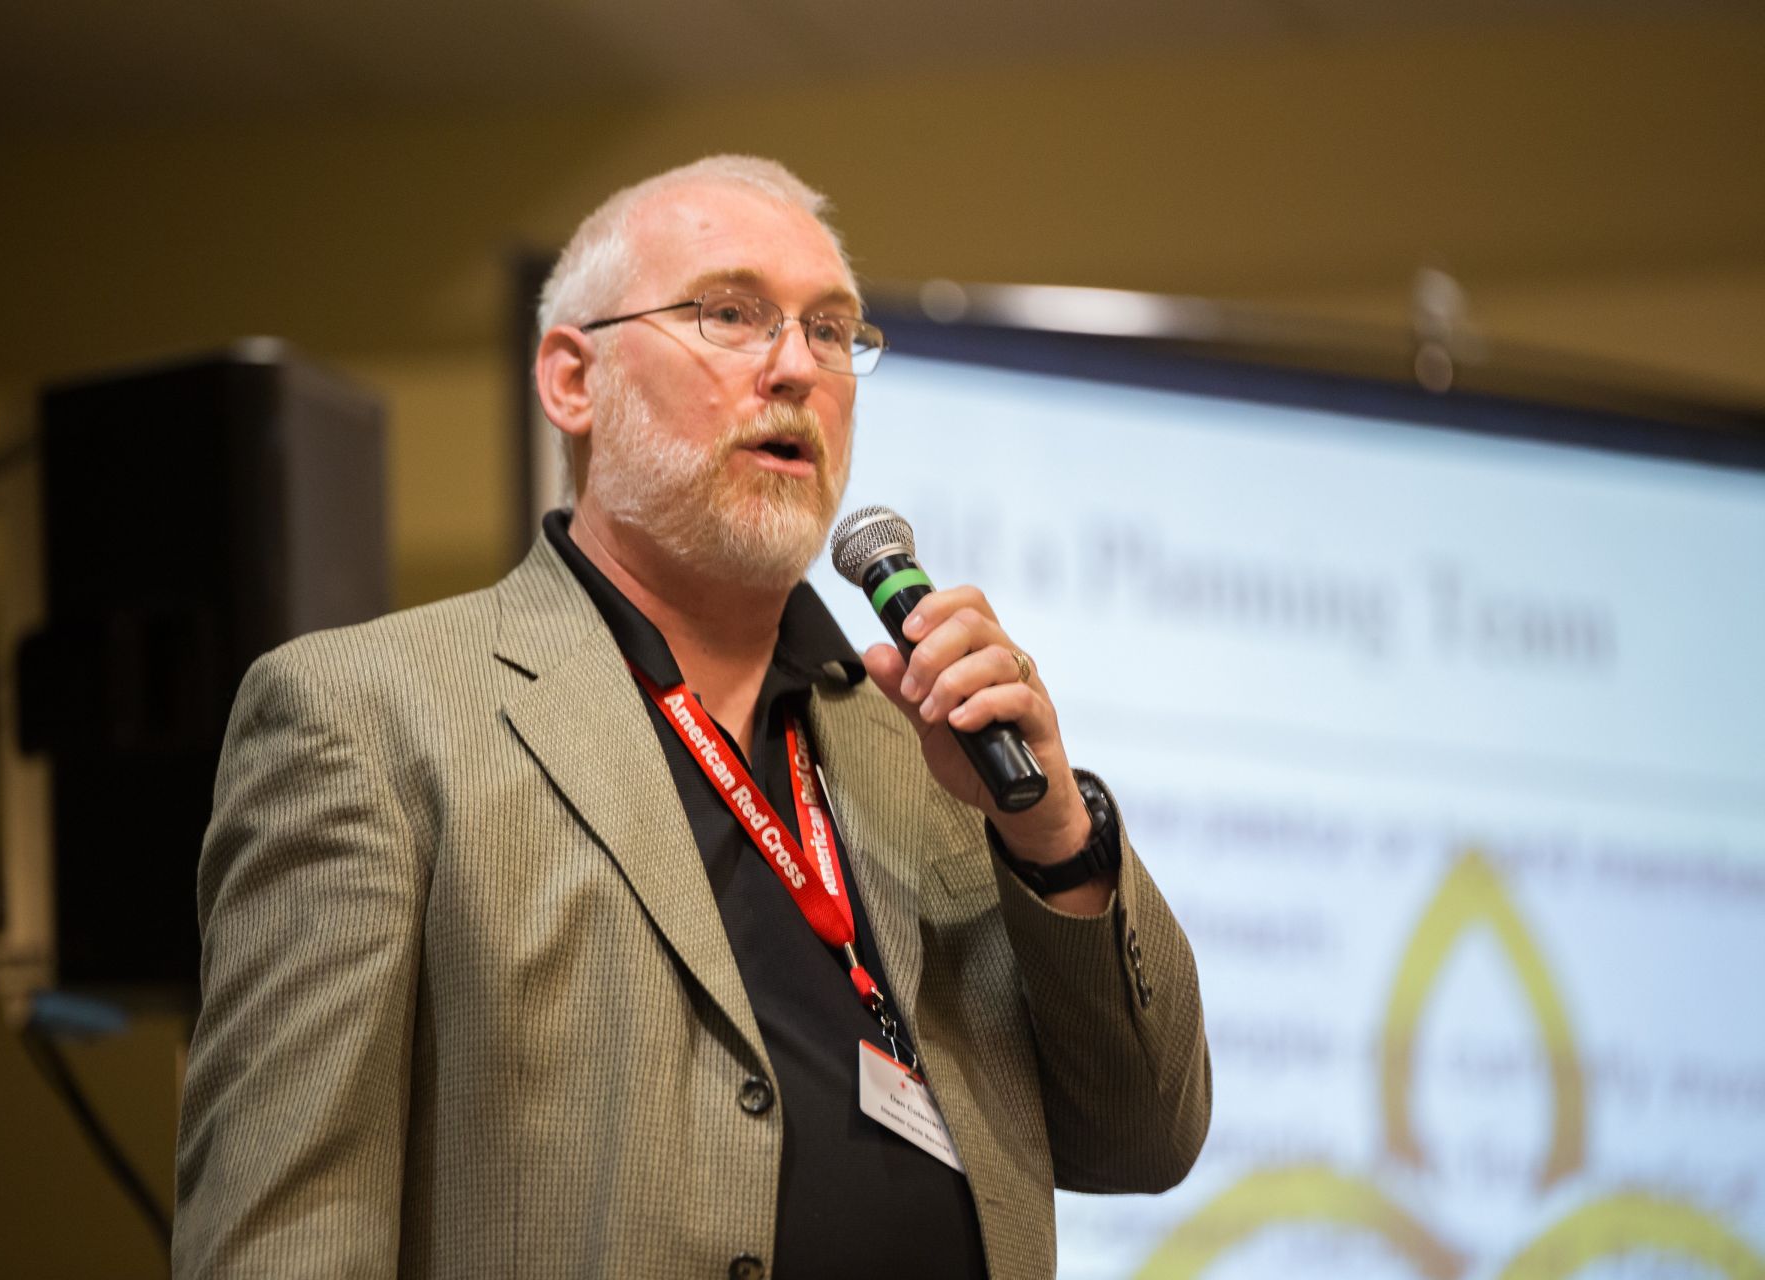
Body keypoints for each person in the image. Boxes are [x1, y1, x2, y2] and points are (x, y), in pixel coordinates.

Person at [172, 155, 1210, 1280]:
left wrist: (1054, 836)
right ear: (573, 379)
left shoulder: (932, 747)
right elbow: (280, 1240)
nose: (796, 368)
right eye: (731, 314)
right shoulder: (368, 719)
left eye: (831, 330)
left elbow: (1142, 1132)